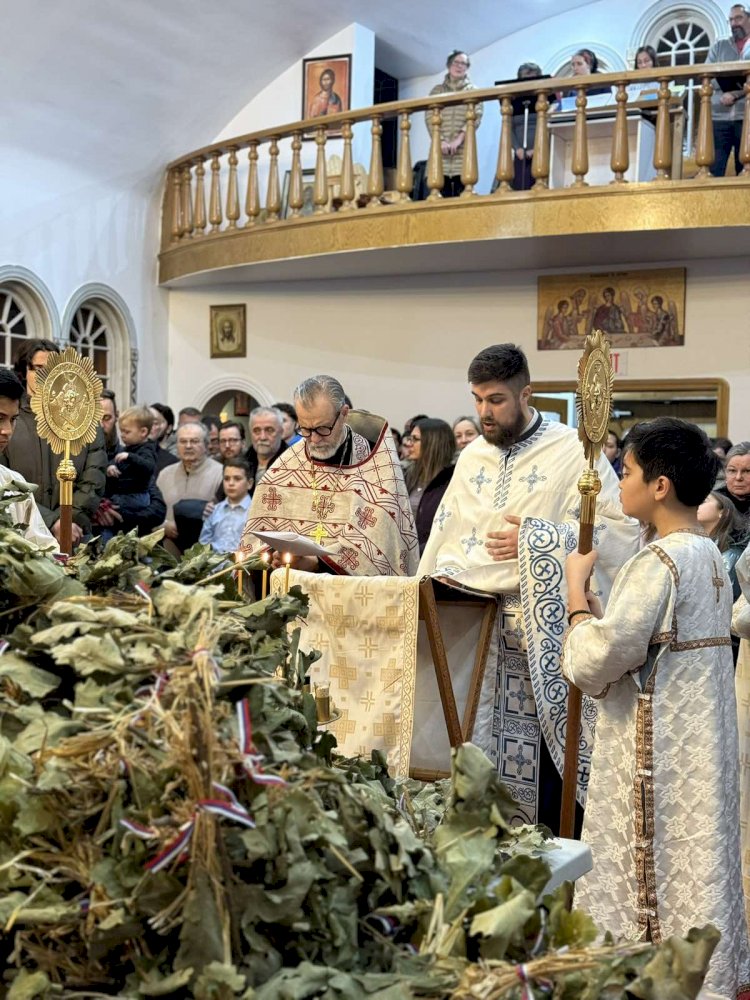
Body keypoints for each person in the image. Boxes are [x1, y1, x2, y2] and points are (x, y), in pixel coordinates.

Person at [563, 418, 750, 997]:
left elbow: (599, 660)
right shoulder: (707, 555)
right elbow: (644, 641)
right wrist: (603, 610)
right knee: (693, 868)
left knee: (650, 874)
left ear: (660, 485)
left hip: (655, 754)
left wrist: (575, 598)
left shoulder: (659, 561)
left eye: (628, 472)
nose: (621, 484)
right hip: (695, 750)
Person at [418, 344, 639, 830]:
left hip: (543, 640)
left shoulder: (572, 451)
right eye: (477, 399)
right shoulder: (473, 455)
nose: (483, 413)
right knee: (478, 759)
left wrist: (536, 538)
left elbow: (617, 534)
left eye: (495, 400)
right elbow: (443, 539)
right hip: (474, 636)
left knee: (543, 778)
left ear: (526, 394)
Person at [240, 375, 418, 576]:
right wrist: (275, 556)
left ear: (343, 414)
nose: (314, 439)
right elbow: (258, 539)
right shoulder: (287, 464)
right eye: (305, 429)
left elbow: (382, 540)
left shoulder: (376, 463)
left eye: (323, 428)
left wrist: (318, 562)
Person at [2, 338, 106, 547]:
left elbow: (94, 476)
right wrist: (50, 521)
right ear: (25, 370)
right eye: (38, 368)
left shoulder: (85, 419)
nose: (45, 375)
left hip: (75, 532)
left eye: (52, 369)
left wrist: (68, 520)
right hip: (21, 533)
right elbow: (6, 481)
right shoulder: (9, 418)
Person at [0, 367, 57, 549]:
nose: (7, 431)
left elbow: (43, 547)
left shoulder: (14, 483)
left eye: (13, 419)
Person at [156, 422, 223, 554]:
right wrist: (163, 526)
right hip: (168, 551)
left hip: (206, 552)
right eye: (183, 441)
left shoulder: (221, 473)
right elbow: (153, 511)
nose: (188, 446)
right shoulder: (165, 474)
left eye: (194, 441)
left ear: (206, 445)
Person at [425, 50, 483, 198]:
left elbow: (476, 116)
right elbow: (429, 117)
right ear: (449, 65)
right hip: (440, 150)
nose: (459, 66)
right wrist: (442, 140)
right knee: (438, 196)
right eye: (456, 62)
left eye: (463, 63)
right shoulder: (437, 91)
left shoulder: (473, 91)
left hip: (463, 151)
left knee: (462, 196)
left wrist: (458, 140)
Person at [707, 4, 750, 177]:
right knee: (715, 170)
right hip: (719, 116)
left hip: (746, 117)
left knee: (745, 172)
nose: (734, 23)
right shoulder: (719, 47)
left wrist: (736, 93)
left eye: (738, 18)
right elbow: (707, 78)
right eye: (731, 20)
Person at [103, 406, 158, 537]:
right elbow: (116, 460)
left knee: (113, 504)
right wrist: (111, 467)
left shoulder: (147, 450)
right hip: (126, 493)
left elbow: (149, 466)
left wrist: (130, 457)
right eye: (121, 431)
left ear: (143, 432)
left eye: (127, 432)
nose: (122, 435)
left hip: (137, 495)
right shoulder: (128, 448)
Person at [405, 418, 456, 552]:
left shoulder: (452, 480)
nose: (409, 444)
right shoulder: (409, 476)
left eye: (415, 439)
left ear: (433, 442)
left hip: (432, 558)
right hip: (408, 557)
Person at [199, 458, 252, 553]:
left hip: (242, 565)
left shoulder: (255, 512)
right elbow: (203, 543)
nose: (231, 483)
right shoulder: (214, 510)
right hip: (212, 566)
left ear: (249, 483)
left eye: (237, 479)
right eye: (226, 479)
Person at [510, 62, 543, 191]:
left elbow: (549, 124)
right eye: (525, 78)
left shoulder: (544, 97)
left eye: (533, 78)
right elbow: (509, 128)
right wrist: (518, 149)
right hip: (520, 154)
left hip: (542, 152)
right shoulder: (513, 99)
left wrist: (538, 148)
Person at [246, 407, 287, 487]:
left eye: (269, 430)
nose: (262, 437)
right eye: (257, 431)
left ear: (281, 432)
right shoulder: (242, 463)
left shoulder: (294, 464)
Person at [716, 441, 750, 525]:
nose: (738, 477)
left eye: (747, 471)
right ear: (725, 472)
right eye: (732, 470)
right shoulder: (713, 504)